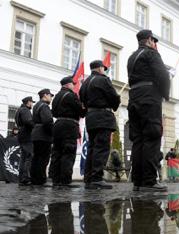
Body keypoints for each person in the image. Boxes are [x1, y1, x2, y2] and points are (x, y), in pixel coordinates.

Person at [127, 29, 170, 191]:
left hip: (134, 97)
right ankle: (149, 181)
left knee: (138, 139)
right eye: (154, 41)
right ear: (150, 40)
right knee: (152, 136)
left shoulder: (132, 57)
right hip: (149, 97)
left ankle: (137, 181)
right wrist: (165, 93)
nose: (155, 44)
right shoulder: (151, 54)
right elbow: (162, 75)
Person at [80, 60, 120, 190]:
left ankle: (89, 178)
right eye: (104, 68)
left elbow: (82, 99)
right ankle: (97, 178)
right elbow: (113, 96)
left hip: (91, 117)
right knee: (101, 147)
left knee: (92, 147)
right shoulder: (103, 80)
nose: (105, 70)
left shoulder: (85, 83)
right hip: (103, 116)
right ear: (100, 68)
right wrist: (116, 102)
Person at [52, 76, 85, 187]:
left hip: (57, 126)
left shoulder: (56, 97)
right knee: (68, 153)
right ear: (67, 84)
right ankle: (65, 181)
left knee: (57, 153)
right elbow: (81, 111)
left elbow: (54, 113)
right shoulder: (71, 95)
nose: (74, 85)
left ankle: (56, 180)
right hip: (69, 126)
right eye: (72, 84)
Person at [31, 89, 54, 186]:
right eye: (50, 95)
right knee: (43, 158)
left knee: (36, 158)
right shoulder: (44, 106)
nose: (51, 98)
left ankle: (34, 179)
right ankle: (41, 180)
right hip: (43, 135)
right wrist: (52, 133)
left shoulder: (36, 105)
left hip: (36, 134)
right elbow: (48, 121)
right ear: (45, 95)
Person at [15, 96, 35, 186]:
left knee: (23, 158)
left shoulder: (20, 109)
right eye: (31, 102)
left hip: (22, 135)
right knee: (28, 157)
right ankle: (25, 178)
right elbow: (28, 121)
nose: (32, 104)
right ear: (28, 102)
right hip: (27, 135)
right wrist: (35, 126)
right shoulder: (25, 110)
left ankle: (22, 178)